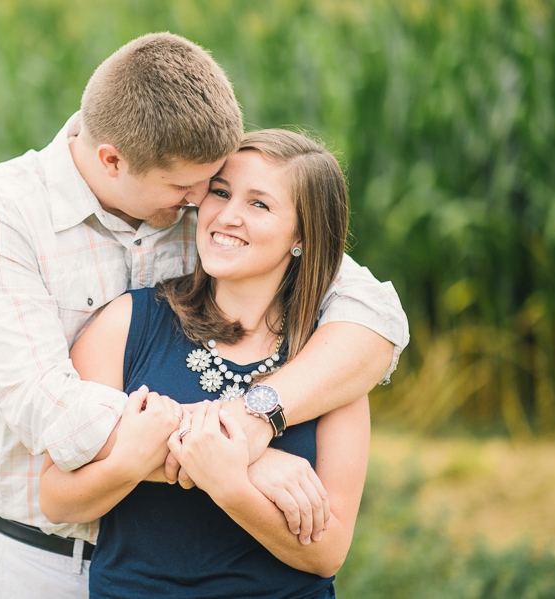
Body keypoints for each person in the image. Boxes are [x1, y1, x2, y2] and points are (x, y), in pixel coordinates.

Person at [0, 33, 407, 599]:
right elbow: (52, 408)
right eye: (193, 188)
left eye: (210, 186)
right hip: (40, 561)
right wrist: (236, 459)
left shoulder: (202, 192)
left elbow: (374, 315)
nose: (199, 204)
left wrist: (253, 421)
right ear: (112, 160)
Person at [40, 129, 370, 598]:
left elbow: (326, 552)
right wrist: (134, 461)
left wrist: (231, 483)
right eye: (220, 192)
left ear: (302, 235)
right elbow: (56, 498)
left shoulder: (328, 362)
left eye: (259, 204)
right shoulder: (128, 323)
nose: (227, 216)